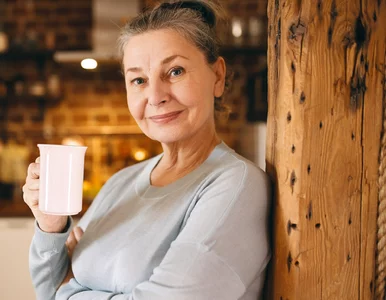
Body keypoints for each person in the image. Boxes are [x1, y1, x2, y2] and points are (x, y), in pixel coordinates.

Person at [23, 1, 271, 299]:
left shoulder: (236, 185)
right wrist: (52, 227)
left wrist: (70, 290)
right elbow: (46, 291)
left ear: (217, 76)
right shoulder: (121, 182)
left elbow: (57, 292)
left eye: (175, 71)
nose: (155, 96)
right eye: (138, 79)